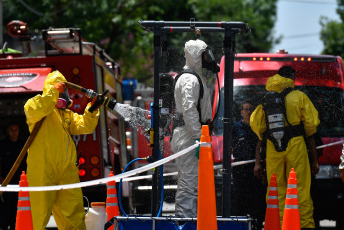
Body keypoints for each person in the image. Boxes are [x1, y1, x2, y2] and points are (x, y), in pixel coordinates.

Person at [24, 70, 102, 230]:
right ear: (49, 89)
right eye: (60, 89)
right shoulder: (35, 106)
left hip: (66, 172)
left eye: (63, 90)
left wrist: (92, 109)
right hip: (42, 171)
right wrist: (53, 93)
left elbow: (85, 126)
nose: (63, 93)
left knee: (73, 216)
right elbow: (37, 108)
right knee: (37, 217)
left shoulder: (66, 114)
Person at [250, 66, 320, 230]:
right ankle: (304, 225)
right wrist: (314, 158)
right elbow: (311, 125)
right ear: (292, 78)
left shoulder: (266, 100)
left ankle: (278, 224)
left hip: (273, 147)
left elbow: (256, 124)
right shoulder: (299, 97)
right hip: (296, 145)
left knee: (276, 188)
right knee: (299, 187)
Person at [170, 39, 217, 218]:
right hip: (189, 135)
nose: (208, 59)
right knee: (189, 182)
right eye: (205, 55)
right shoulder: (190, 79)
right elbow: (189, 111)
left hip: (192, 134)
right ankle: (184, 221)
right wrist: (199, 137)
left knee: (194, 182)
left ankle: (192, 218)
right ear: (196, 56)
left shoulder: (196, 77)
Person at [231, 100, 266, 230]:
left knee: (256, 198)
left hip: (254, 168)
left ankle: (256, 224)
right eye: (245, 109)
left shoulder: (257, 127)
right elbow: (231, 147)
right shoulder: (236, 128)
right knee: (240, 197)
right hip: (240, 168)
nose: (248, 112)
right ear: (241, 112)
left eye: (250, 109)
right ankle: (240, 224)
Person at [0, 122, 27, 230]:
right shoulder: (3, 144)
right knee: (6, 205)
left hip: (20, 180)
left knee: (17, 205)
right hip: (6, 180)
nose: (14, 132)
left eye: (16, 129)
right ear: (7, 131)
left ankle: (13, 226)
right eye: (11, 129)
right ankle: (4, 226)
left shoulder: (23, 144)